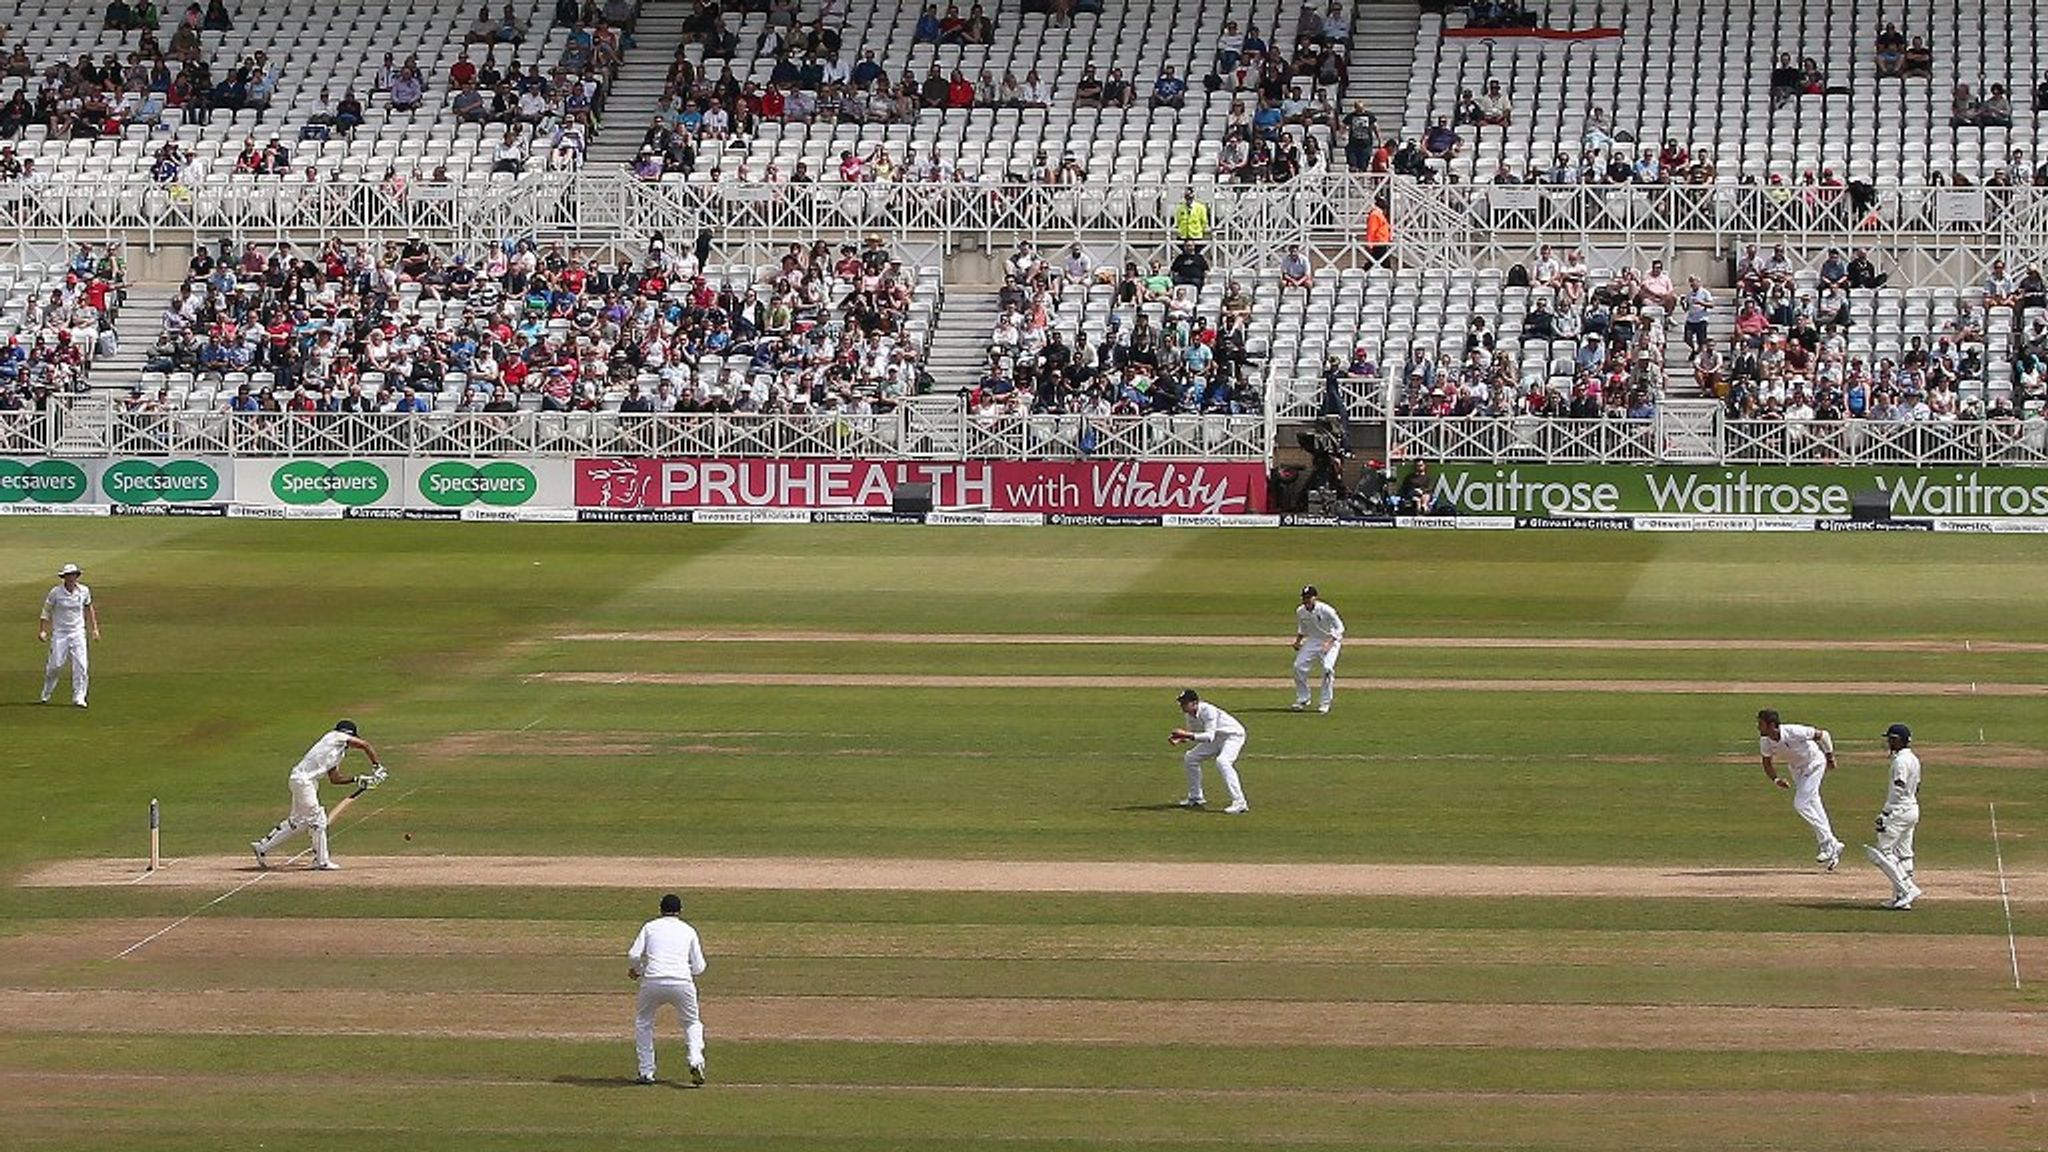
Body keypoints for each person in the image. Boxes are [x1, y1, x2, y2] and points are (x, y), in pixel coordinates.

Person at [249, 720, 386, 871]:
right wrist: (377, 767)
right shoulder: (334, 737)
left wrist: (357, 779)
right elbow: (365, 745)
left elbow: (335, 778)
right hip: (303, 780)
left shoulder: (338, 753)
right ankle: (321, 861)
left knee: (298, 821)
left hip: (306, 782)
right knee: (318, 819)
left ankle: (262, 847)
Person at [628, 892, 708, 1086]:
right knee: (692, 1023)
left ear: (660, 910)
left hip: (652, 981)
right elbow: (699, 967)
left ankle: (646, 1072)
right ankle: (695, 1060)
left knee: (644, 1023)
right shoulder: (688, 930)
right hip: (682, 981)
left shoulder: (650, 927)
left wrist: (639, 971)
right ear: (680, 911)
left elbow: (633, 954)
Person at [1757, 708, 1844, 870]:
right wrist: (1776, 779)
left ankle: (1830, 842)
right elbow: (1767, 763)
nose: (1758, 727)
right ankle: (1830, 846)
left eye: (1761, 724)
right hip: (1797, 769)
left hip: (1814, 764)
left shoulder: (1794, 731)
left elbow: (1823, 735)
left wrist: (1830, 757)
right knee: (1814, 804)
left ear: (1772, 725)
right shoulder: (1765, 741)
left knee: (1801, 804)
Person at [1863, 723, 1922, 910]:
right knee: (1904, 854)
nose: (1887, 742)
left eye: (1890, 739)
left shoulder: (1900, 762)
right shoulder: (1913, 759)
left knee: (1882, 853)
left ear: (1897, 740)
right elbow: (1916, 786)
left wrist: (1886, 814)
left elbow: (1899, 786)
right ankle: (1901, 900)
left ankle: (1907, 890)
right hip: (1911, 808)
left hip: (1898, 811)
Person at [1169, 689, 1249, 814]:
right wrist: (1180, 739)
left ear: (1195, 703)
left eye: (1185, 703)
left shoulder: (1208, 711)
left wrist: (1185, 734)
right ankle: (1196, 797)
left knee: (1223, 762)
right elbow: (1195, 735)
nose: (1182, 706)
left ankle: (1240, 802)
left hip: (1233, 736)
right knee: (1190, 758)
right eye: (1181, 703)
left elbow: (1208, 736)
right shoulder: (1189, 715)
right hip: (1217, 738)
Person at [40, 563, 100, 708]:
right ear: (64, 577)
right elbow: (46, 611)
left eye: (73, 575)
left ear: (77, 576)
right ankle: (47, 691)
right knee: (55, 665)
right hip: (60, 634)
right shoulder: (55, 592)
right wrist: (43, 630)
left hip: (78, 632)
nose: (71, 578)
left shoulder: (84, 591)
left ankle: (79, 697)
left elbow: (88, 608)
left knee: (81, 665)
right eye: (68, 575)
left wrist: (95, 629)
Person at [1291, 585, 1344, 713]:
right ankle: (1303, 698)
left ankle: (1325, 703)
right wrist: (1298, 641)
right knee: (1298, 666)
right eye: (1304, 598)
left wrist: (1329, 642)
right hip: (1313, 640)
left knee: (1327, 668)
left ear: (1315, 597)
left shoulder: (1326, 610)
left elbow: (1340, 628)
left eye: (1309, 597)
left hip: (1330, 640)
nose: (1306, 600)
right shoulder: (1300, 611)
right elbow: (1302, 628)